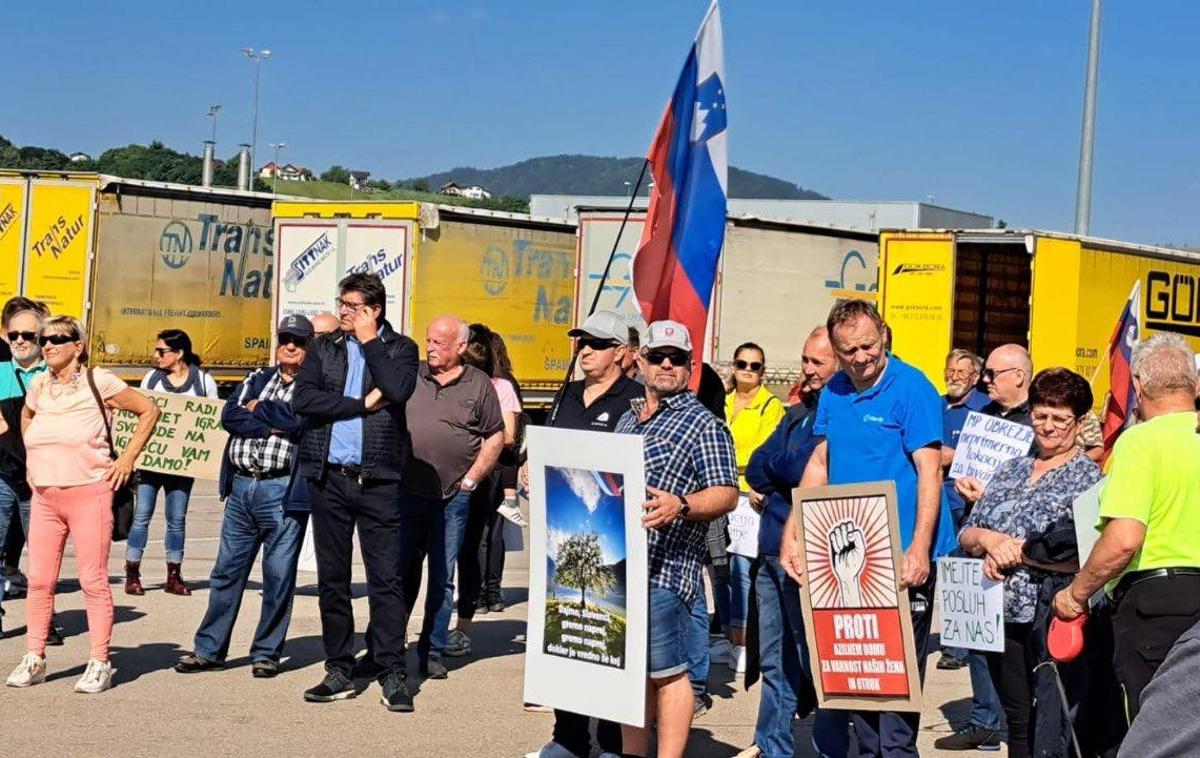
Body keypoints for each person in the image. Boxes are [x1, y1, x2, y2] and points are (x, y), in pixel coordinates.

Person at [781, 299, 957, 757]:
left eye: (867, 345)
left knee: (897, 688)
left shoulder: (912, 388)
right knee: (855, 675)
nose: (860, 358)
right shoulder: (835, 391)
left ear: (884, 336)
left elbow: (929, 471)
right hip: (848, 555)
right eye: (848, 350)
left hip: (899, 556)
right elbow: (821, 461)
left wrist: (918, 548)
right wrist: (793, 533)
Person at [4, 316, 159, 693]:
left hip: (89, 491)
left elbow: (148, 410)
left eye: (59, 338)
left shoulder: (99, 380)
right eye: (45, 339)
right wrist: (34, 460)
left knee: (92, 580)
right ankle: (35, 656)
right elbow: (26, 415)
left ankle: (99, 661)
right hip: (45, 495)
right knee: (40, 580)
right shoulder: (40, 384)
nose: (49, 344)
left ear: (79, 345)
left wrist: (126, 460)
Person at [1053, 333, 1200, 721]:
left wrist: (1076, 594)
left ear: (1136, 385)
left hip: (1158, 608)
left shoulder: (1139, 442)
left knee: (1156, 732)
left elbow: (1123, 539)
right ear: (1196, 384)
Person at [958, 369, 1102, 758]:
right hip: (999, 613)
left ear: (1079, 423)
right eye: (1041, 415)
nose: (1048, 427)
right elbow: (968, 533)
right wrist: (990, 542)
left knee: (1053, 719)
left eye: (1060, 419)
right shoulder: (1010, 469)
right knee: (1017, 717)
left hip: (1052, 613)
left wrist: (1018, 552)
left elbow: (1082, 552)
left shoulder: (1089, 480)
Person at [292, 272, 419, 712]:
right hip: (329, 478)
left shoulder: (400, 349)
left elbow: (400, 390)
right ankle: (339, 667)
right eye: (341, 304)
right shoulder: (323, 347)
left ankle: (391, 671)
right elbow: (303, 401)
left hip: (378, 480)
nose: (343, 312)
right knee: (333, 580)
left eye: (352, 306)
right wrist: (359, 405)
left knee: (386, 580)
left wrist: (369, 342)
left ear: (374, 310)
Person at [615, 319, 738, 758]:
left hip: (666, 573)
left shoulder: (704, 424)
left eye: (677, 358)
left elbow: (727, 492)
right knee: (633, 673)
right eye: (657, 356)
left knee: (668, 673)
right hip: (621, 569)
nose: (666, 365)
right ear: (640, 361)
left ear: (690, 367)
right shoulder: (627, 419)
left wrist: (680, 504)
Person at [526, 310, 643, 758]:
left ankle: (612, 741)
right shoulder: (567, 395)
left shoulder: (634, 399)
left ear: (620, 352)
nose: (585, 351)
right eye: (581, 343)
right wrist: (528, 467)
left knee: (609, 644)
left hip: (611, 534)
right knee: (566, 640)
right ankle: (568, 737)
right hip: (565, 533)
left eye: (596, 344)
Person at [174, 315, 314, 678]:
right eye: (285, 338)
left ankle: (266, 652)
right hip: (240, 486)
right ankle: (209, 649)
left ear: (308, 346)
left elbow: (300, 421)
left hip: (281, 488)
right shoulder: (258, 377)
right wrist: (271, 421)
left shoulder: (312, 384)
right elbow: (230, 416)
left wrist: (262, 412)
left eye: (298, 341)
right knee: (226, 571)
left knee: (278, 574)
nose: (290, 346)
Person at [743, 326, 850, 758]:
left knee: (816, 660)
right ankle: (772, 747)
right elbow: (755, 467)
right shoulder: (796, 412)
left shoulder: (838, 410)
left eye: (817, 362)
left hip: (810, 555)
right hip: (771, 550)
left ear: (840, 362)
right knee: (775, 660)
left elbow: (797, 467)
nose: (808, 370)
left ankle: (829, 747)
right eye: (805, 360)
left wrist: (784, 468)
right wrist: (784, 468)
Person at [399, 316, 503, 681]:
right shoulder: (413, 376)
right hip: (408, 493)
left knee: (442, 576)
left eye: (439, 343)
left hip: (453, 496)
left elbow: (495, 436)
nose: (430, 348)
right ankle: (391, 645)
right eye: (428, 340)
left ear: (460, 347)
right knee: (401, 573)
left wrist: (473, 480)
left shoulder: (479, 385)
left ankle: (432, 649)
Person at [933, 349, 1007, 753]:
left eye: (965, 371)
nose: (955, 376)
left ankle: (998, 719)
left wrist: (951, 458)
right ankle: (984, 720)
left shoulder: (987, 412)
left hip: (989, 527)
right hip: (952, 516)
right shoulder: (939, 406)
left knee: (1000, 633)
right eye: (951, 370)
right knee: (967, 608)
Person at [124, 328, 219, 597]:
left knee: (177, 519)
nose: (156, 356)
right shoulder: (152, 379)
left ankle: (173, 575)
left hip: (182, 466)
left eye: (161, 351)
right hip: (152, 462)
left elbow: (212, 420)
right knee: (141, 516)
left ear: (179, 354)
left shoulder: (203, 381)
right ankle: (133, 572)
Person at [446, 325, 521, 659]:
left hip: (480, 479)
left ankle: (464, 625)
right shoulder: (444, 381)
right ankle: (434, 622)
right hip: (442, 476)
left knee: (475, 547)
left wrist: (466, 432)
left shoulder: (501, 387)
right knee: (436, 551)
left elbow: (508, 436)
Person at [713, 342, 785, 675]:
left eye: (755, 365)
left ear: (762, 371)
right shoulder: (722, 401)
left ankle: (742, 642)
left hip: (747, 496)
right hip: (718, 489)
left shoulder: (770, 405)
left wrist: (758, 485)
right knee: (719, 568)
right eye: (742, 363)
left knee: (743, 569)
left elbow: (766, 448)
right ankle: (726, 636)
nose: (747, 370)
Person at [0, 302, 51, 638]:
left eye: (27, 335)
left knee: (43, 557)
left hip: (42, 480)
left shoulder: (53, 376)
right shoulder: (1, 372)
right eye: (13, 334)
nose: (19, 341)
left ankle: (44, 623)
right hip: (3, 476)